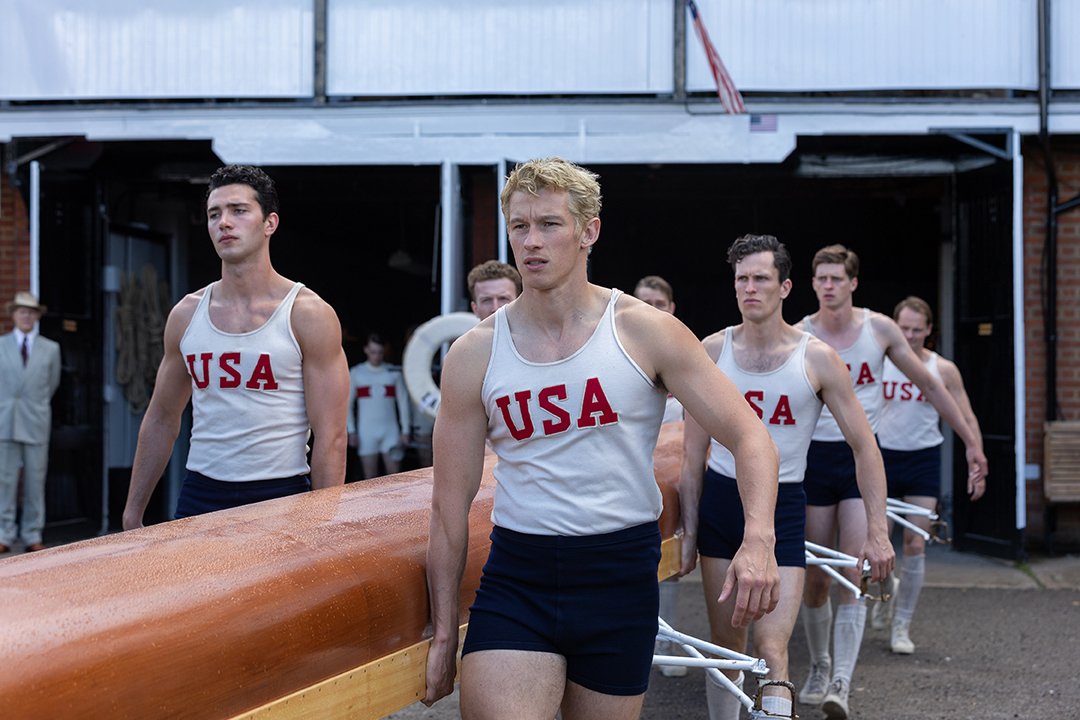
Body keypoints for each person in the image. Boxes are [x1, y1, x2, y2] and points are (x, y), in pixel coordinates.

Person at [424, 157, 781, 720]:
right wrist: (445, 630)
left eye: (549, 224)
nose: (532, 242)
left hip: (618, 575)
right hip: (521, 575)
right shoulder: (474, 353)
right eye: (520, 226)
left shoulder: (644, 330)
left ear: (588, 231)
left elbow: (750, 436)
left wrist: (758, 539)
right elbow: (448, 505)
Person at [681, 235, 893, 720]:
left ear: (785, 287)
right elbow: (692, 454)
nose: (750, 288)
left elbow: (865, 446)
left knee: (772, 646)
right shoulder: (711, 351)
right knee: (726, 646)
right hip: (722, 501)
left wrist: (878, 531)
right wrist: (690, 531)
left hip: (785, 506)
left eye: (760, 279)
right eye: (742, 279)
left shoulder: (816, 358)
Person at [795, 244, 987, 719]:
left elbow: (930, 384)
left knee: (853, 571)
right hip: (814, 460)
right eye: (821, 278)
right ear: (812, 282)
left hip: (863, 458)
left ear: (853, 283)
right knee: (816, 577)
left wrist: (970, 442)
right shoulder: (800, 333)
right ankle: (819, 665)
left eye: (837, 278)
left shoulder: (878, 329)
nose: (828, 285)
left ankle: (842, 680)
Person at [121, 165, 348, 529]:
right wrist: (133, 512)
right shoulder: (186, 314)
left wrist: (319, 525)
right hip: (201, 494)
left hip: (282, 494)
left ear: (269, 223)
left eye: (238, 211)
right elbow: (162, 418)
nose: (224, 222)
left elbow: (332, 434)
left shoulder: (307, 314)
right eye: (215, 214)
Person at [872, 296, 985, 654]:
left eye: (917, 330)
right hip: (884, 458)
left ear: (929, 331)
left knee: (916, 543)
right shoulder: (879, 363)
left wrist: (975, 457)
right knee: (880, 544)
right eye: (903, 328)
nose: (909, 335)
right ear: (894, 326)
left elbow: (966, 416)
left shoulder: (942, 370)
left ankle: (902, 626)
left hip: (922, 459)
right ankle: (886, 594)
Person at [633, 273, 686, 678]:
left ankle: (665, 638)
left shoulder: (681, 355)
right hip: (632, 475)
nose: (650, 310)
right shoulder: (624, 354)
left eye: (659, 303)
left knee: (670, 562)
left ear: (671, 309)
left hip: (671, 474)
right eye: (642, 302)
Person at [0, 292, 61, 553]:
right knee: (5, 480)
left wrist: (34, 404)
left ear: (37, 316)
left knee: (36, 479)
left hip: (36, 420)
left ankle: (32, 533)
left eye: (31, 312)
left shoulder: (50, 348)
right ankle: (3, 534)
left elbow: (52, 384)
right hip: (5, 420)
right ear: (13, 314)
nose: (26, 316)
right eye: (21, 311)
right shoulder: (1, 345)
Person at [348, 333, 411, 478]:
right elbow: (348, 405)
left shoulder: (393, 372)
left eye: (380, 352)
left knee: (395, 478)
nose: (376, 356)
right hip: (366, 432)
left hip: (391, 431)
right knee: (370, 479)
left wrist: (406, 430)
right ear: (366, 350)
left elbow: (403, 403)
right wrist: (351, 431)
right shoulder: (357, 373)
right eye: (373, 352)